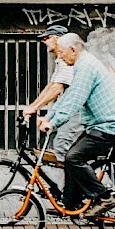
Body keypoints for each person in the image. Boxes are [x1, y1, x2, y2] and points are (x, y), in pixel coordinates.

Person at [38, 31, 115, 218]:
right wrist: (49, 117)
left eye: (62, 53)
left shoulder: (86, 67)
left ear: (73, 50)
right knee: (71, 155)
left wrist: (53, 123)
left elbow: (74, 101)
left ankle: (103, 197)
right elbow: (67, 98)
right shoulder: (82, 65)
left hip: (110, 127)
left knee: (74, 157)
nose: (61, 58)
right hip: (100, 126)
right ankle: (71, 203)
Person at [22, 24, 83, 165]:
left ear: (56, 39)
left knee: (62, 144)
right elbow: (51, 85)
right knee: (55, 140)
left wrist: (35, 108)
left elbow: (57, 88)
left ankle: (76, 184)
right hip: (68, 109)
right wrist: (33, 106)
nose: (44, 41)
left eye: (46, 38)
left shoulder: (68, 61)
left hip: (77, 111)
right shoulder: (60, 60)